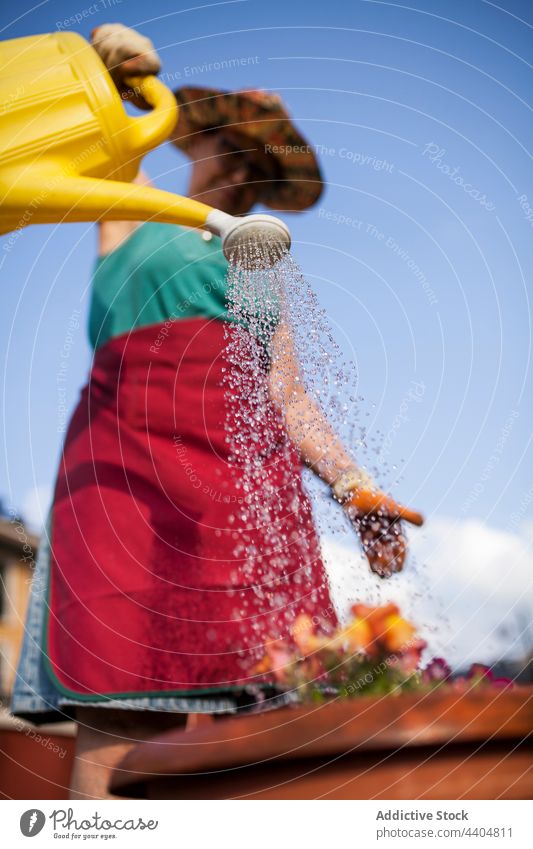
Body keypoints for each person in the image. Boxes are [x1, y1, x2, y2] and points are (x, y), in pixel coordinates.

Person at [10, 24, 422, 799]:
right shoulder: (126, 209)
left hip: (235, 488)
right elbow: (100, 136)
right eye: (222, 137)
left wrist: (351, 482)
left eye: (248, 153)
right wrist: (114, 68)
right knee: (116, 698)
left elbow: (287, 393)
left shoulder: (256, 252)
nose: (228, 160)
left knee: (250, 726)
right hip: (118, 470)